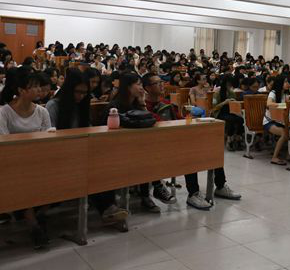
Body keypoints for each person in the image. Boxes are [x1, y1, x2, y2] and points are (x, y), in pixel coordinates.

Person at [46, 68, 129, 230]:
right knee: (90, 169)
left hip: (81, 152)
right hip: (60, 155)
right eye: (77, 92)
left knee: (103, 164)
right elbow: (50, 135)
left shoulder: (82, 105)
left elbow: (89, 130)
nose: (81, 96)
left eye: (85, 93)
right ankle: (108, 209)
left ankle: (109, 208)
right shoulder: (53, 106)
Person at [142, 73, 240, 206]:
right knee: (189, 152)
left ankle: (221, 186)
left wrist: (191, 120)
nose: (161, 85)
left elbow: (179, 120)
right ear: (147, 88)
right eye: (157, 83)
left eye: (161, 82)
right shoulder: (143, 106)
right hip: (157, 147)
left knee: (213, 148)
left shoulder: (166, 103)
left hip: (175, 140)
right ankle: (193, 193)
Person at [106, 72, 176, 213]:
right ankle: (154, 188)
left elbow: (149, 120)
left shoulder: (137, 104)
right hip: (118, 149)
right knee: (145, 154)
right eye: (138, 84)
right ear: (128, 87)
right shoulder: (115, 105)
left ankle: (148, 194)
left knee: (148, 153)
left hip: (137, 147)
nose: (141, 88)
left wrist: (142, 102)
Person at [0, 66, 52, 249]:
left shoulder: (42, 112)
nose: (39, 90)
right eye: (34, 86)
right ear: (21, 90)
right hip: (13, 163)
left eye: (39, 86)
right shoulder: (4, 112)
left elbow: (49, 138)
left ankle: (38, 215)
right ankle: (34, 225)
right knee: (23, 179)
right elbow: (4, 143)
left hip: (39, 161)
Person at [213, 74, 244, 151]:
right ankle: (229, 140)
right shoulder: (217, 92)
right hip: (220, 112)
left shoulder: (231, 92)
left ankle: (238, 138)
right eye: (228, 84)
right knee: (231, 120)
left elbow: (235, 104)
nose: (229, 85)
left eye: (230, 84)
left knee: (241, 119)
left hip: (230, 111)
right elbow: (214, 108)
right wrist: (224, 103)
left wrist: (235, 102)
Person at [263, 75, 290, 165]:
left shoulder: (286, 93)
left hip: (280, 120)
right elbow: (269, 103)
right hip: (269, 121)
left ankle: (289, 155)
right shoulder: (273, 93)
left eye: (288, 82)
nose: (287, 84)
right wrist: (283, 105)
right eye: (285, 82)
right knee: (284, 133)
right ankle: (274, 157)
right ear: (280, 83)